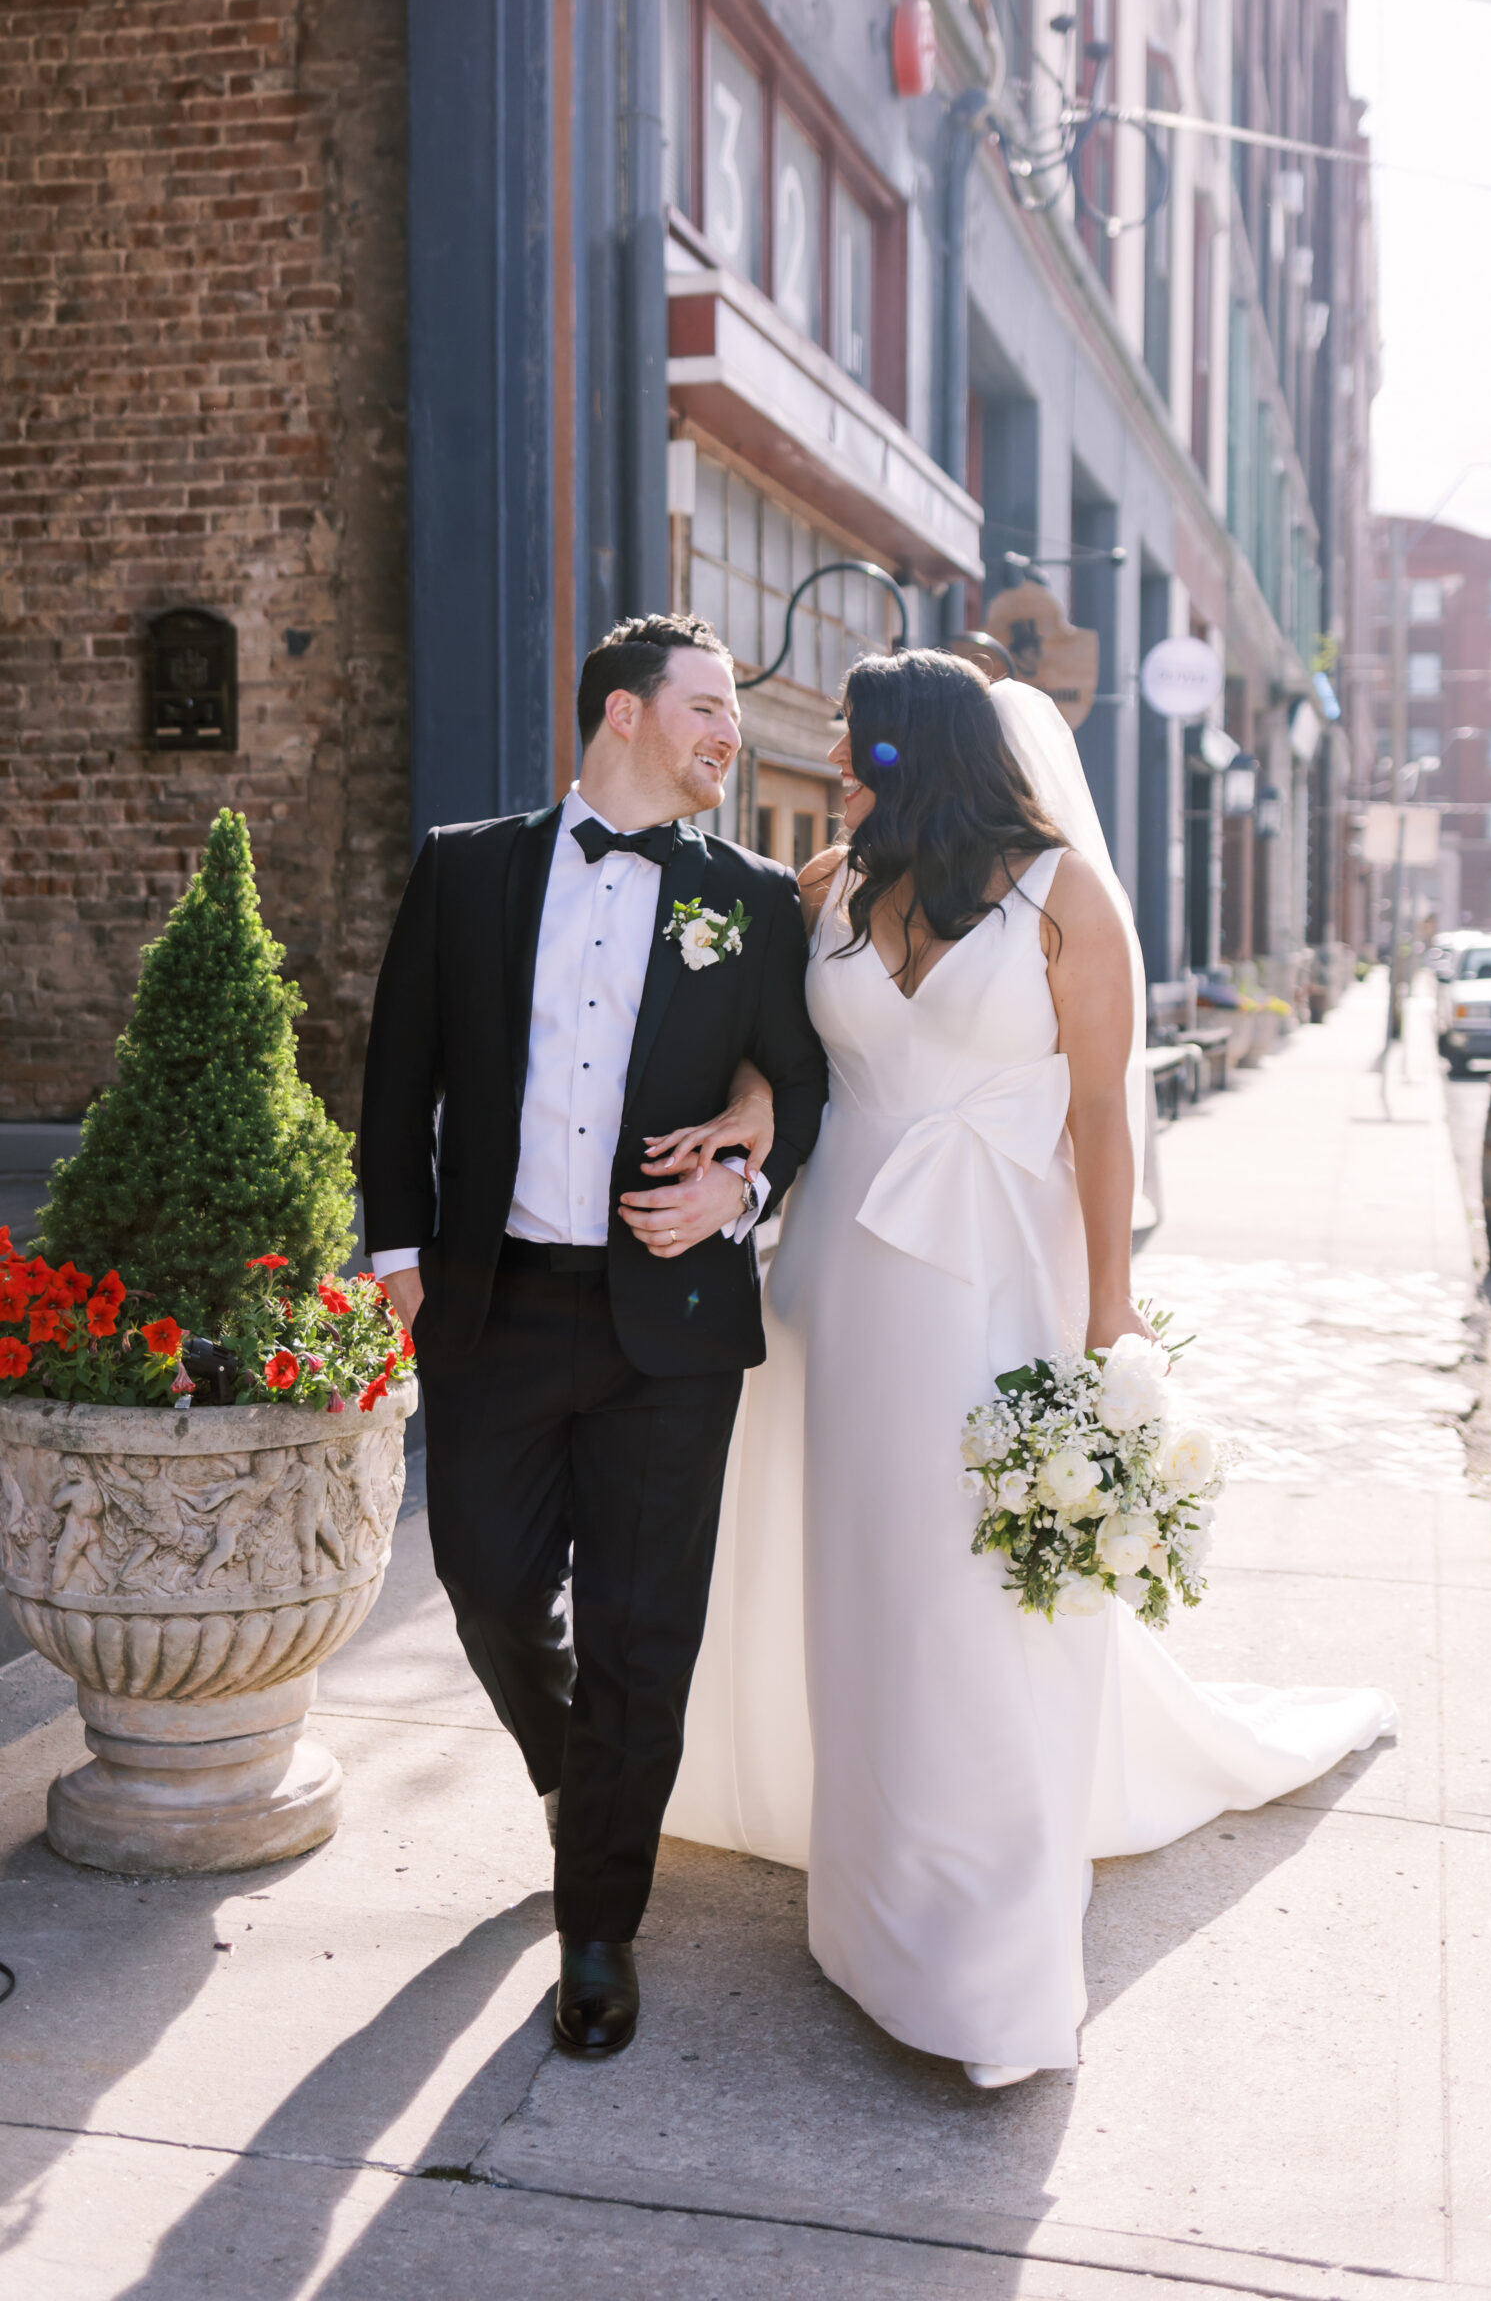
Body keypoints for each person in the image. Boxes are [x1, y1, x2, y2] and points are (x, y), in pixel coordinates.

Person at [658, 651, 1394, 2088]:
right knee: (865, 1579)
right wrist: (746, 1112)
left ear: (924, 745)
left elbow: (1106, 1117)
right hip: (838, 1280)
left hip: (999, 1272)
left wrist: (1112, 1307)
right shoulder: (828, 891)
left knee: (984, 1589)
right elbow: (790, 1064)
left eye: (869, 740)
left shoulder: (1067, 897)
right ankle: (864, 1899)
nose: (850, 758)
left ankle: (987, 1961)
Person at [360, 615, 828, 2061]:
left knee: (644, 1627)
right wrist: (396, 1253)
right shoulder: (468, 868)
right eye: (705, 708)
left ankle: (598, 1925)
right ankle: (578, 1774)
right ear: (620, 714)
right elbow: (398, 1072)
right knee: (487, 1584)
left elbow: (805, 1089)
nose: (727, 736)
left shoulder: (749, 900)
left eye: (732, 717)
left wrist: (739, 1185)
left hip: (667, 1326)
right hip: (493, 1304)